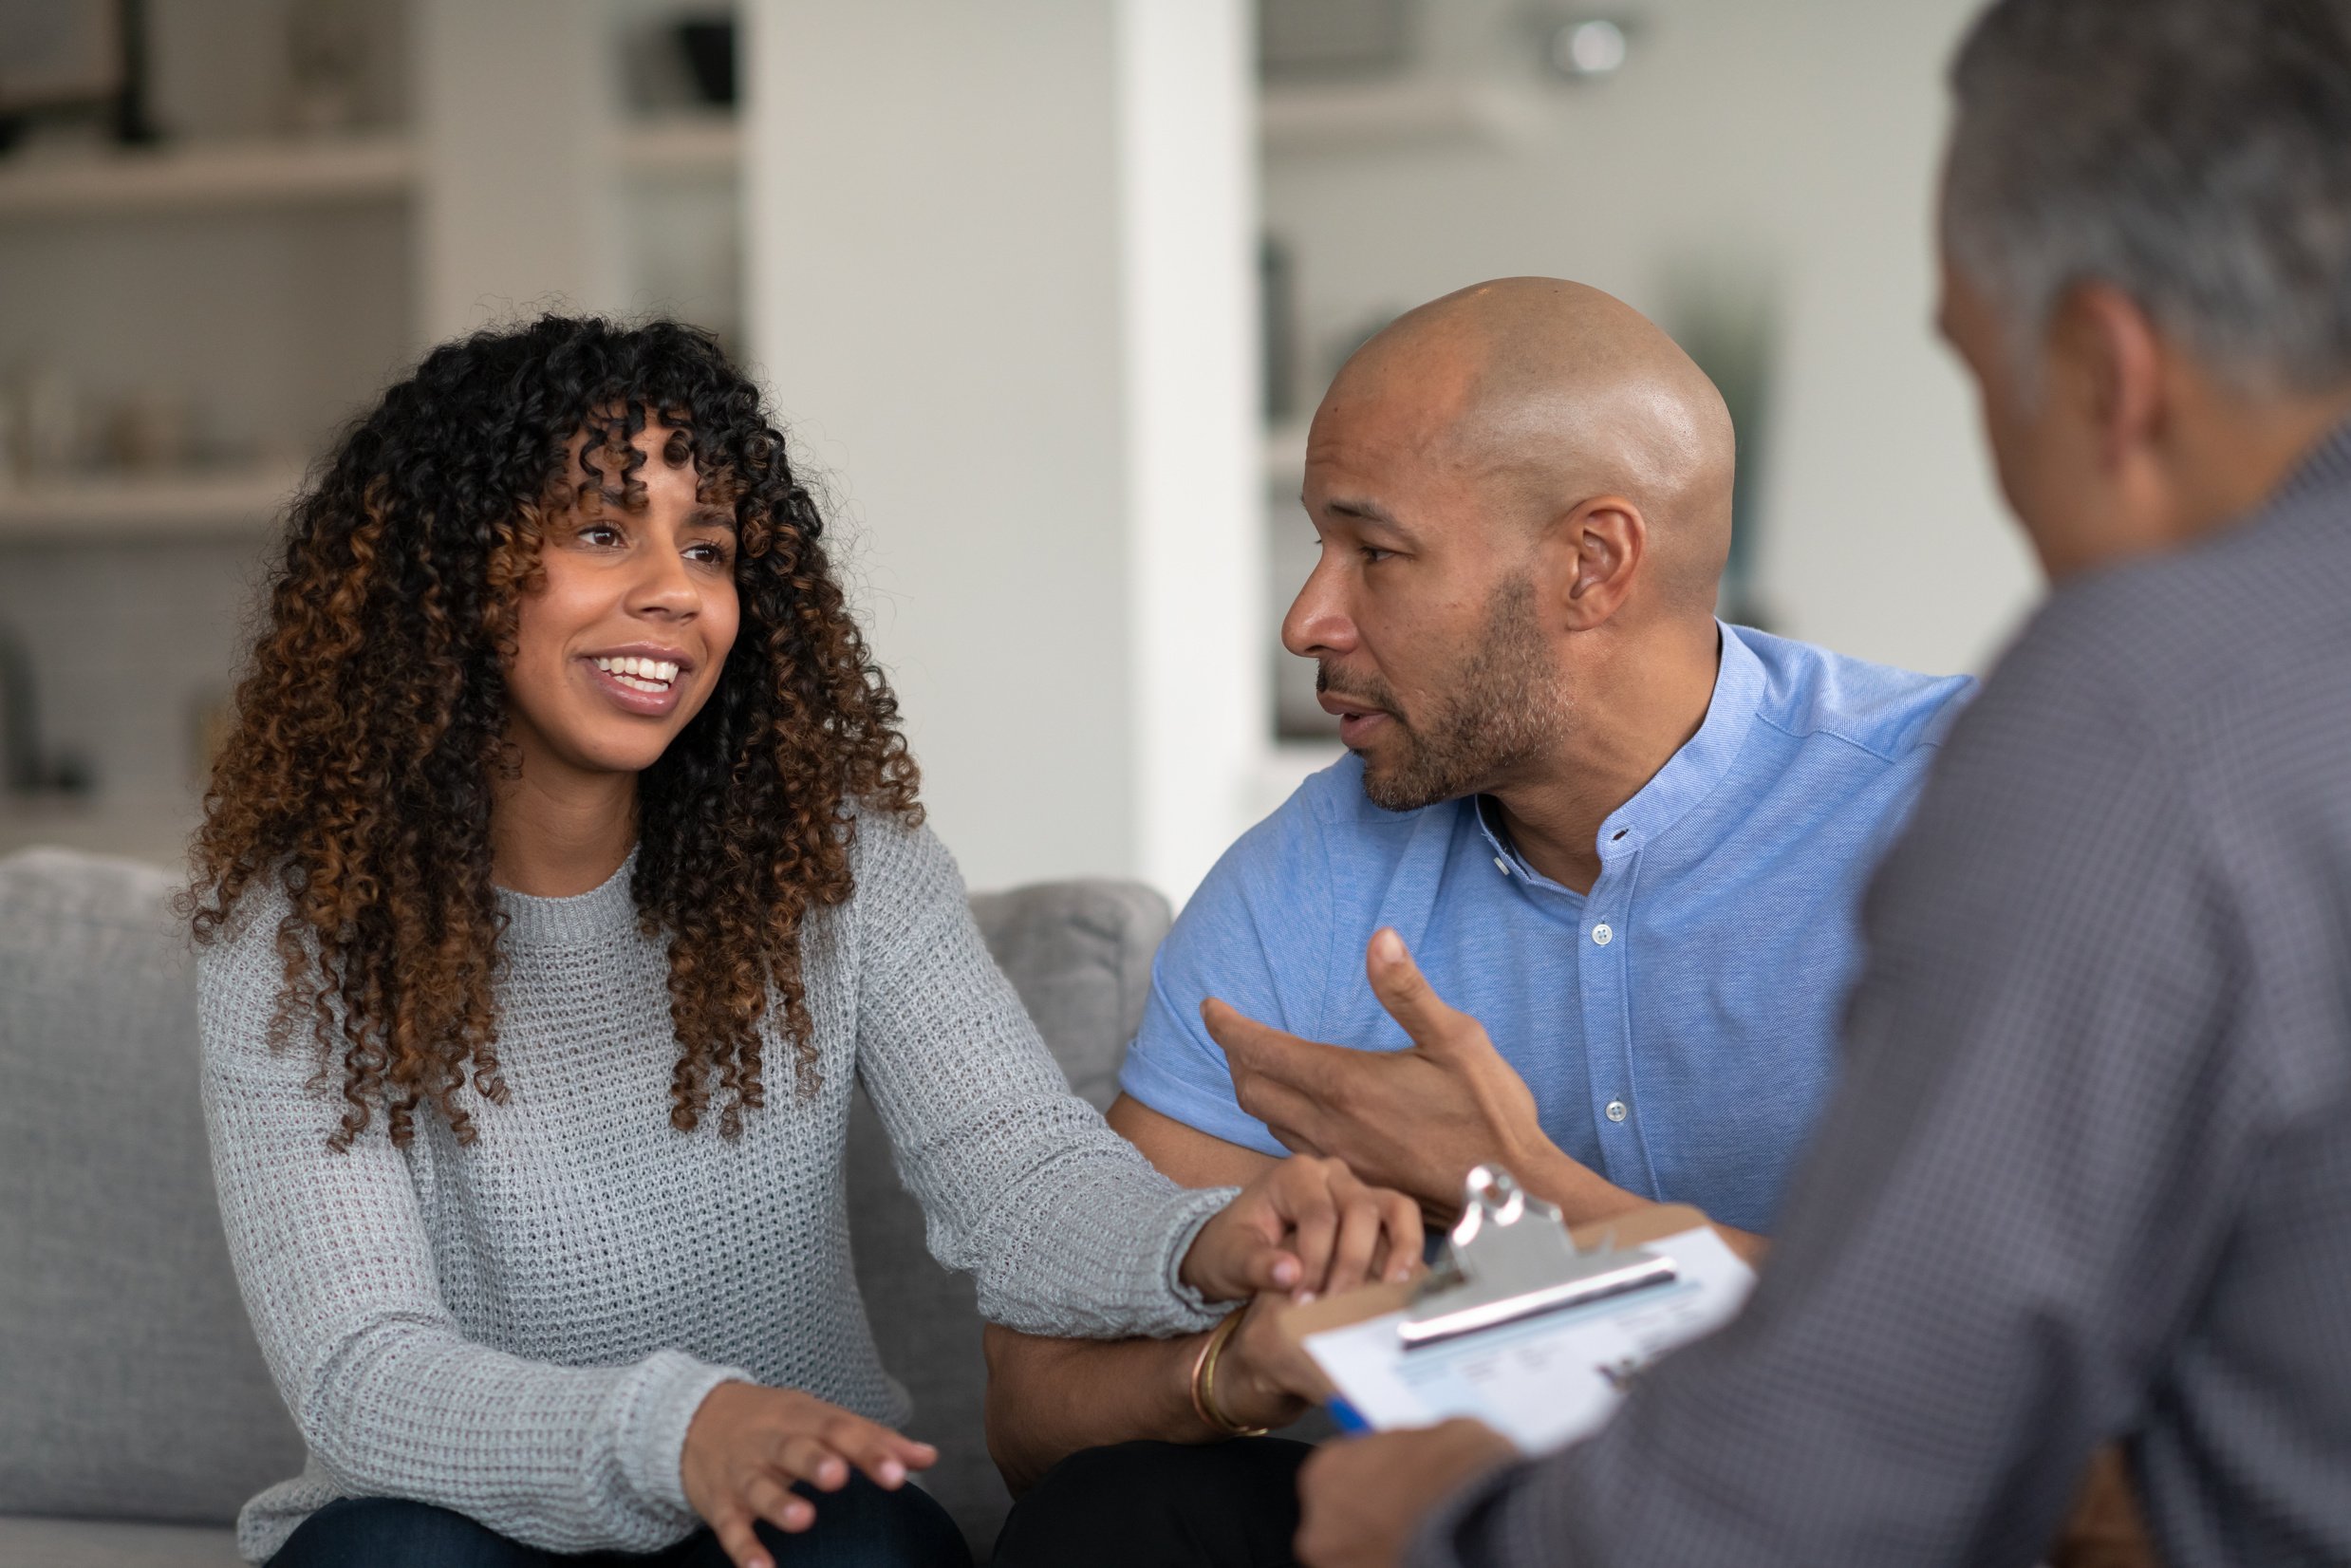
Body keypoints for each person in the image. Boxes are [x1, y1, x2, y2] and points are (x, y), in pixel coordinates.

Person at [1294, 1, 2351, 1563]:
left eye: (1986, 375)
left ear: (2104, 370)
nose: (1316, 616)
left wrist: (1444, 1521)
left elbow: (1856, 1456)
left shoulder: (2142, 718)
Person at [186, 317, 1421, 1568]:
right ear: (442, 573)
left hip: (789, 1523)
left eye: (708, 548)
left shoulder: (835, 862)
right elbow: (362, 1371)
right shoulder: (298, 926)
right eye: (602, 533)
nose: (676, 590)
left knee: (855, 1544)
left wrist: (1212, 1239)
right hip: (454, 1525)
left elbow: (1021, 1180)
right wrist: (682, 1430)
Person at [984, 280, 1973, 1565]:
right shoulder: (1305, 881)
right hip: (1474, 1531)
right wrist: (1241, 1361)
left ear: (1590, 563)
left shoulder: (1958, 812)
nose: (1306, 620)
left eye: (1374, 553)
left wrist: (1520, 1197)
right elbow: (1028, 1413)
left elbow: (2044, 1369)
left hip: (1869, 1529)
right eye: (1316, 548)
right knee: (1116, 1519)